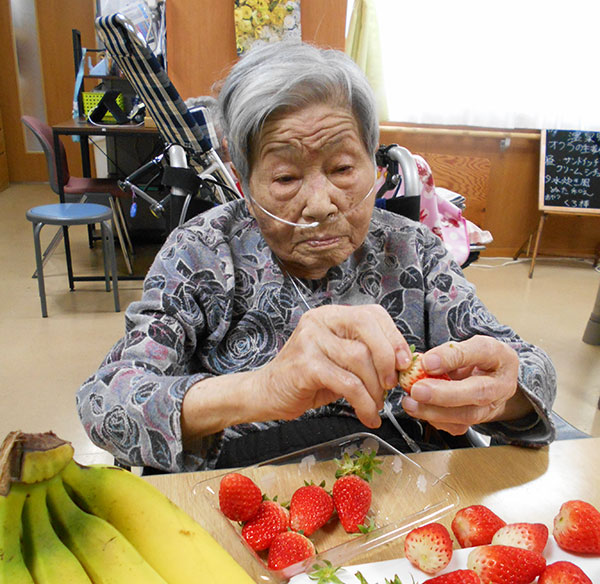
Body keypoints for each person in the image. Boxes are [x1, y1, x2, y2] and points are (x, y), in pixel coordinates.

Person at [77, 42, 556, 472]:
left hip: (402, 494)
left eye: (343, 167)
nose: (322, 202)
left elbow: (531, 367)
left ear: (375, 166)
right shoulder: (199, 253)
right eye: (286, 178)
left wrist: (500, 396)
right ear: (245, 187)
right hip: (242, 499)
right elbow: (105, 403)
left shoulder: (413, 249)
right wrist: (260, 389)